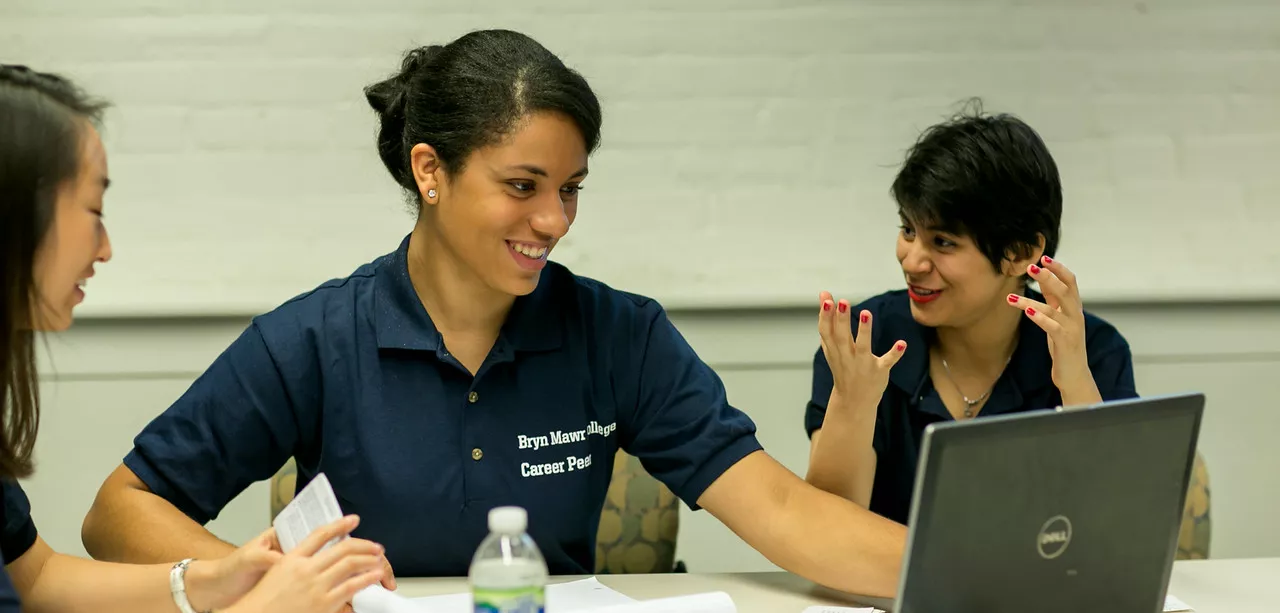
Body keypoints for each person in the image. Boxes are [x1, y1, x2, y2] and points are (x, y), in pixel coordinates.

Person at [80, 29, 908, 597]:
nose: (554, 220)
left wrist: (985, 570)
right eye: (523, 186)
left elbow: (787, 513)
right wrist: (268, 585)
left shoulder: (621, 334)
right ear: (430, 170)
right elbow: (119, 511)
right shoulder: (315, 339)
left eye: (570, 188)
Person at [0, 64, 388, 613]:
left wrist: (217, 577)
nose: (105, 247)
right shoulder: (311, 332)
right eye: (93, 212)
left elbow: (35, 578)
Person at [803, 101, 1139, 523]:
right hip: (886, 587)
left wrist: (1075, 384)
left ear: (1020, 253)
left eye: (942, 242)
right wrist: (852, 404)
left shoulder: (1093, 351)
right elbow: (828, 530)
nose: (912, 261)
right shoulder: (866, 341)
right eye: (908, 230)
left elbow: (1113, 523)